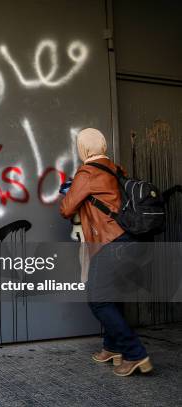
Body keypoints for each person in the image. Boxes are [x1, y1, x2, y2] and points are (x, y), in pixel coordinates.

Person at [59, 127, 152, 376]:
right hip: (128, 239)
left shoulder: (87, 172)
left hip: (109, 241)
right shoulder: (116, 168)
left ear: (83, 148)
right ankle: (113, 347)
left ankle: (135, 353)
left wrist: (70, 190)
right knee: (112, 295)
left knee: (98, 300)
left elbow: (67, 209)